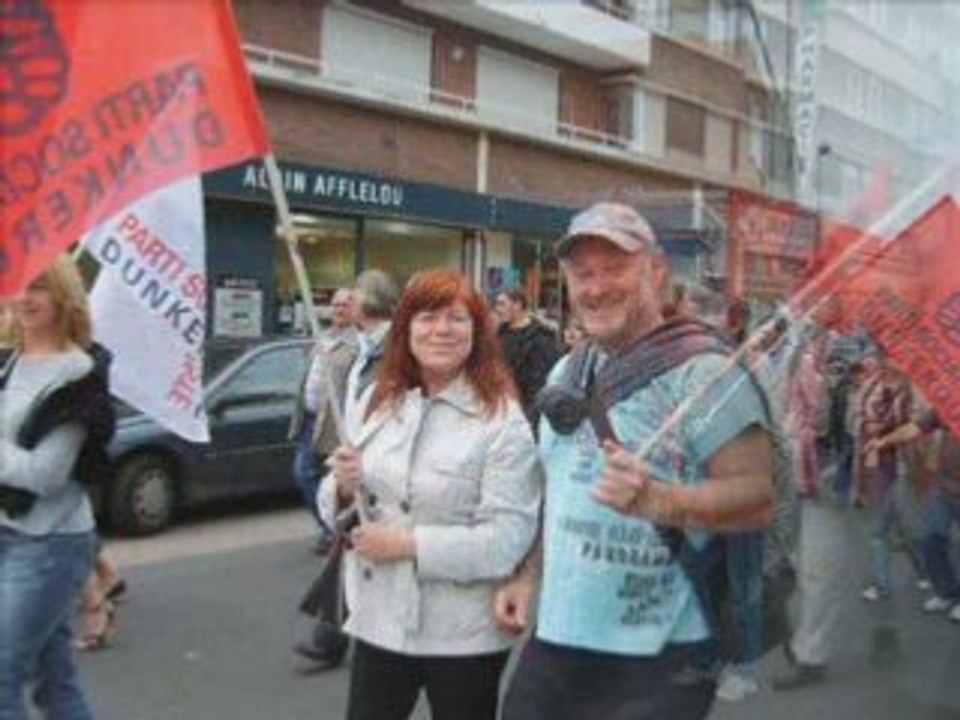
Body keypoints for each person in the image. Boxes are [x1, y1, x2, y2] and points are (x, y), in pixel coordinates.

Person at [495, 202, 774, 720]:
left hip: (662, 655)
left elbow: (757, 499)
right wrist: (528, 575)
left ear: (657, 272)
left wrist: (660, 500)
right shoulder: (566, 370)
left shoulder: (707, 373)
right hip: (557, 638)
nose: (595, 287)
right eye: (583, 274)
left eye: (614, 268)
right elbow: (554, 492)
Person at [317, 269, 541, 720]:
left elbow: (505, 542)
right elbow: (334, 507)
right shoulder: (376, 402)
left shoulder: (503, 422)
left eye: (456, 319)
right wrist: (342, 489)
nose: (441, 330)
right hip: (380, 621)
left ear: (477, 332)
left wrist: (405, 545)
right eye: (426, 317)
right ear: (406, 329)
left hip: (463, 635)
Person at [0, 258, 116, 720]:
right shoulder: (9, 363)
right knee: (56, 682)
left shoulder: (78, 375)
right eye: (19, 286)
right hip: (9, 533)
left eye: (39, 288)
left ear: (63, 298)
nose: (25, 298)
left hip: (49, 543)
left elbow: (46, 475)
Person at [294, 270, 399, 667]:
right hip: (351, 459)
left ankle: (336, 636)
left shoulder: (393, 348)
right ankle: (332, 634)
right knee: (346, 545)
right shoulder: (362, 346)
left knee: (350, 546)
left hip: (374, 469)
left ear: (373, 298)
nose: (347, 299)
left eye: (355, 292)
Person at [867, 410, 960, 621]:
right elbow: (914, 428)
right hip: (944, 487)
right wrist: (882, 442)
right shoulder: (950, 399)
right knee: (931, 540)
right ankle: (945, 592)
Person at [289, 288, 358, 551]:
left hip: (335, 426)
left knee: (321, 476)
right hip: (310, 418)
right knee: (304, 474)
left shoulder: (356, 344)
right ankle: (331, 527)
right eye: (336, 304)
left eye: (346, 304)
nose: (340, 309)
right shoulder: (321, 338)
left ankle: (336, 530)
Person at [494, 287, 561, 424]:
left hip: (526, 413)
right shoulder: (499, 334)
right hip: (500, 408)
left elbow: (541, 384)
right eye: (497, 304)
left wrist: (529, 418)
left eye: (502, 304)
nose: (497, 309)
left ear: (518, 305)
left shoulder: (541, 339)